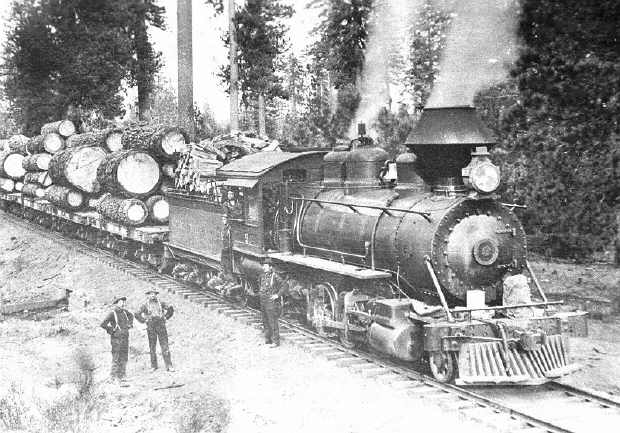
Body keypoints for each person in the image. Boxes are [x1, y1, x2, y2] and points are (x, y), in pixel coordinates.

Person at [135, 290, 175, 372]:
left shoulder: (161, 303)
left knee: (165, 345)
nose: (153, 295)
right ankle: (153, 366)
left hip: (161, 325)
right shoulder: (145, 305)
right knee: (152, 347)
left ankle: (169, 365)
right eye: (151, 294)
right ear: (148, 296)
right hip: (151, 326)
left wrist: (166, 317)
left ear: (156, 295)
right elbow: (137, 314)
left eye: (154, 294)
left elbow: (171, 309)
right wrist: (144, 320)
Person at [100, 295, 134, 383]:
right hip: (116, 339)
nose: (123, 303)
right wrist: (112, 331)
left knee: (124, 357)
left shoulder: (125, 312)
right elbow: (103, 324)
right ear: (116, 303)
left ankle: (122, 375)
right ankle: (112, 376)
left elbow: (131, 316)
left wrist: (130, 324)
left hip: (125, 338)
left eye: (123, 302)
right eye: (121, 302)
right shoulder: (112, 313)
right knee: (116, 357)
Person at [258, 259, 286, 347]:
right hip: (263, 301)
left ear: (270, 267)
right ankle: (268, 340)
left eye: (266, 266)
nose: (264, 268)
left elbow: (284, 286)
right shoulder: (262, 276)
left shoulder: (275, 276)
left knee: (272, 321)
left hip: (271, 301)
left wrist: (277, 295)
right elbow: (260, 286)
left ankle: (275, 342)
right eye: (263, 266)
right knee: (265, 321)